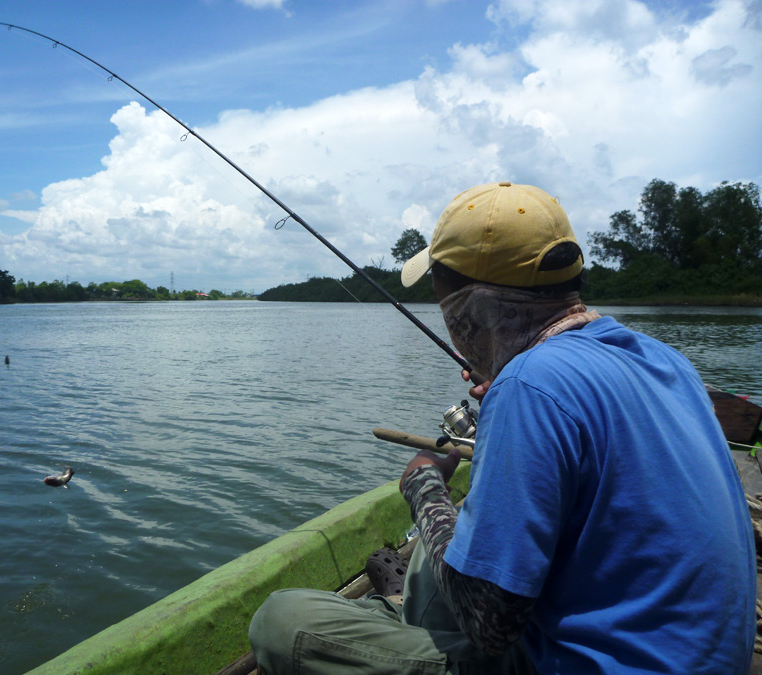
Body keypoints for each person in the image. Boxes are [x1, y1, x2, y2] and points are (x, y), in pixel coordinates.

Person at [249, 181, 756, 674]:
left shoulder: (531, 386)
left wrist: (424, 488)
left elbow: (490, 623)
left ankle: (397, 620)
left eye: (440, 287)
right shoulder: (664, 361)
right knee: (462, 535)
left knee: (282, 621)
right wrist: (514, 400)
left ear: (474, 299)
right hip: (707, 657)